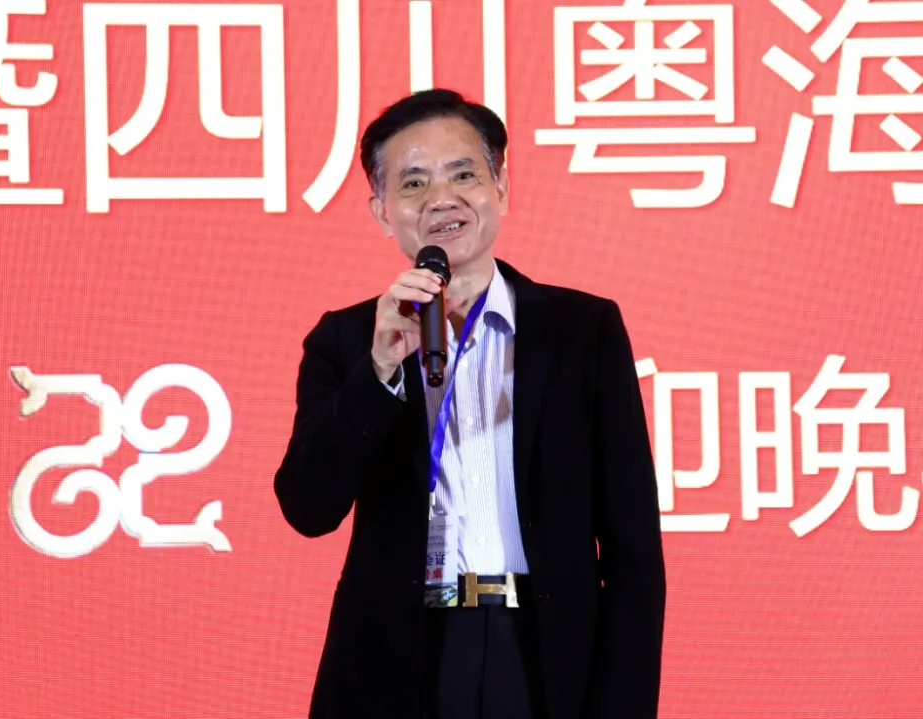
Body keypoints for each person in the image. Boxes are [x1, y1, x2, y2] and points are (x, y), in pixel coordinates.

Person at [274, 88, 666, 719]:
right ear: (382, 212)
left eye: (463, 174)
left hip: (543, 653)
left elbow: (633, 548)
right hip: (397, 660)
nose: (441, 198)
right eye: (413, 183)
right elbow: (307, 507)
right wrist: (380, 372)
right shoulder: (347, 341)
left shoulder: (582, 331)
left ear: (500, 187)